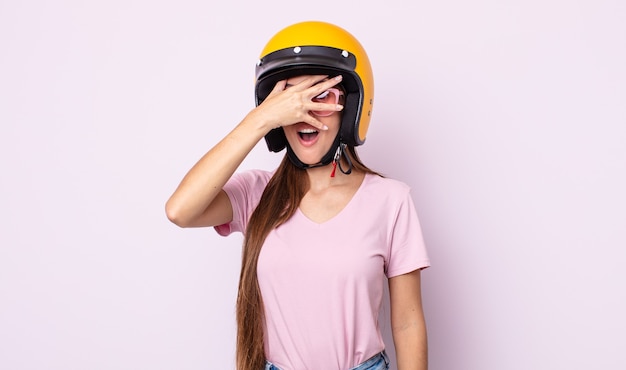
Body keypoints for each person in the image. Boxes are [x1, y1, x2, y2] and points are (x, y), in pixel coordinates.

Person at [165, 21, 430, 370]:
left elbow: (408, 324)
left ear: (350, 110)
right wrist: (258, 120)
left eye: (321, 96)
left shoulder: (391, 200)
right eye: (289, 100)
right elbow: (180, 210)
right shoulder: (257, 193)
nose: (304, 112)